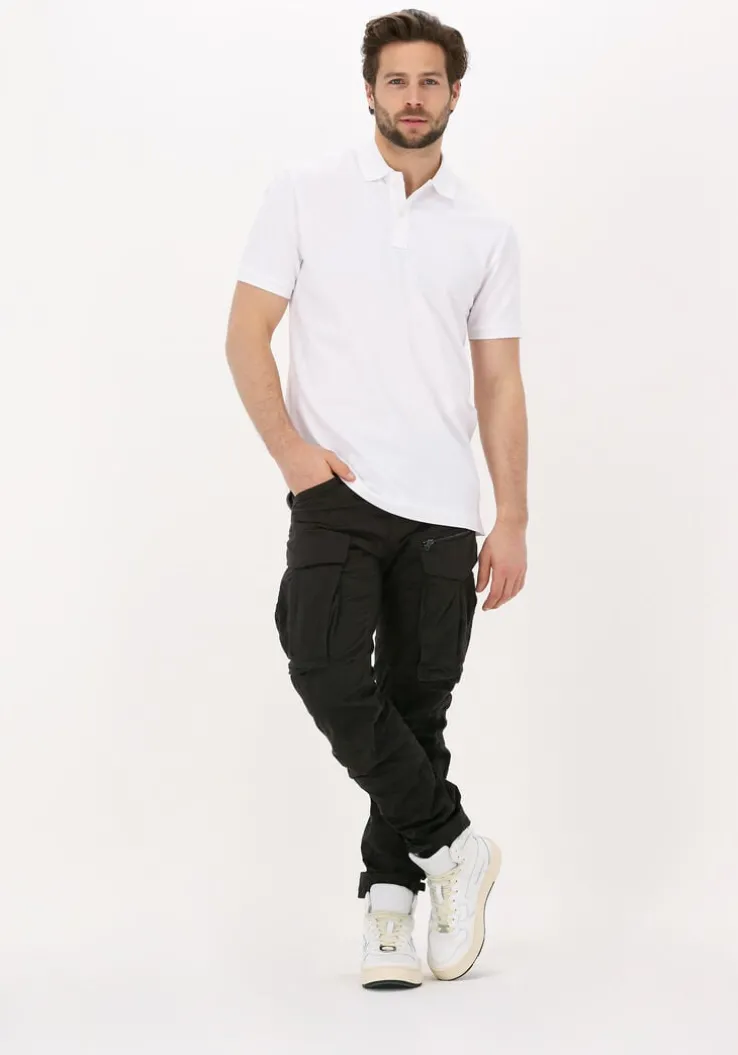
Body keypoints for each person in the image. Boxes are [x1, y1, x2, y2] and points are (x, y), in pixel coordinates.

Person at [225, 8, 528, 989]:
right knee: (323, 665)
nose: (412, 97)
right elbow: (245, 332)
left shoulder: (486, 228)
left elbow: (499, 382)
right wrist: (292, 454)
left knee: (414, 704)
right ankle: (454, 844)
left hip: (443, 504)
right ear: (369, 91)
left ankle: (390, 911)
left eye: (430, 81)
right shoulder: (304, 193)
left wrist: (513, 515)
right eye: (395, 80)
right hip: (337, 487)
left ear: (454, 93)